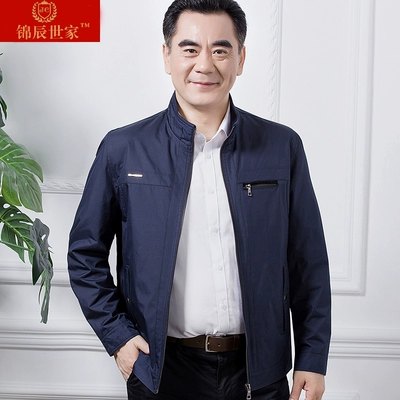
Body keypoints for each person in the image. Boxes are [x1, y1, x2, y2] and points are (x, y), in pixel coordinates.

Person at [67, 0, 331, 399]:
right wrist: (119, 337)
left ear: (241, 59)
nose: (204, 65)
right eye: (189, 49)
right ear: (167, 56)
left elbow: (307, 262)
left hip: (259, 373)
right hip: (161, 370)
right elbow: (84, 255)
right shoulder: (124, 150)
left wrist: (312, 357)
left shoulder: (282, 147)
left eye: (220, 50)